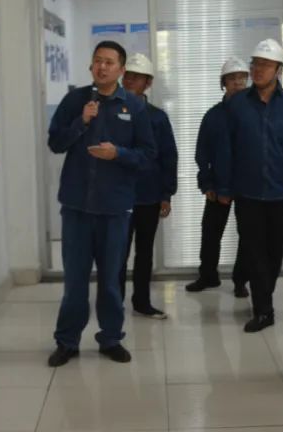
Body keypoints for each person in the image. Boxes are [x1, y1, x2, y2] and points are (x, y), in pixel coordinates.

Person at [46, 41, 156, 367]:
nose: (102, 67)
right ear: (91, 66)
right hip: (77, 207)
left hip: (114, 208)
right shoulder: (75, 101)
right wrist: (81, 122)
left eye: (109, 62)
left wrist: (117, 154)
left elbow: (148, 155)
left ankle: (110, 339)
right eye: (98, 61)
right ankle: (67, 341)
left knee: (110, 281)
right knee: (75, 283)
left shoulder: (133, 107)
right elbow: (55, 143)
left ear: (121, 69)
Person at [216, 39, 283, 333]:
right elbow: (226, 148)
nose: (257, 69)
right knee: (254, 253)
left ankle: (264, 294)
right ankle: (264, 310)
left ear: (279, 69)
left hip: (282, 193)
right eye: (255, 63)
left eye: (265, 64)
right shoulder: (238, 104)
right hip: (247, 192)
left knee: (275, 252)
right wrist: (224, 186)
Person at [119, 52, 178, 320]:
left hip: (148, 196)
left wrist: (166, 194)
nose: (131, 81)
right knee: (117, 253)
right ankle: (113, 302)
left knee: (144, 253)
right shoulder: (111, 112)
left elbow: (169, 157)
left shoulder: (157, 118)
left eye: (138, 77)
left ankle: (141, 301)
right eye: (128, 76)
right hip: (118, 197)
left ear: (148, 83)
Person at [186, 56, 250, 297]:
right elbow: (202, 153)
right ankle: (208, 276)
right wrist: (207, 184)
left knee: (247, 236)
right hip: (218, 185)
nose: (237, 82)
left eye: (242, 78)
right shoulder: (213, 116)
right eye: (232, 78)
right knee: (210, 232)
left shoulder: (255, 114)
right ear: (223, 83)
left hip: (248, 187)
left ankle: (241, 281)